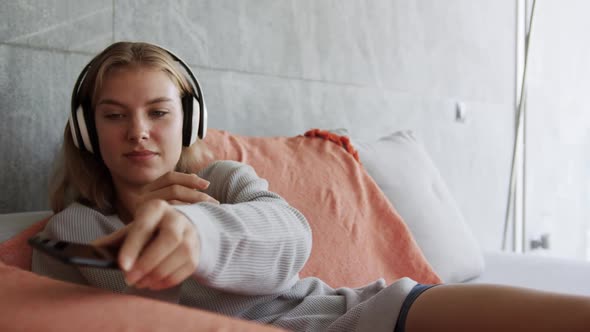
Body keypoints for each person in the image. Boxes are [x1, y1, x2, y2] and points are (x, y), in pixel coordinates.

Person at [32, 41, 590, 332]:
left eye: (158, 112)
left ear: (189, 124)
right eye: (113, 115)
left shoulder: (221, 180)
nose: (138, 132)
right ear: (87, 129)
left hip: (363, 316)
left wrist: (197, 232)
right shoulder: (78, 229)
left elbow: (289, 236)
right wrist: (150, 251)